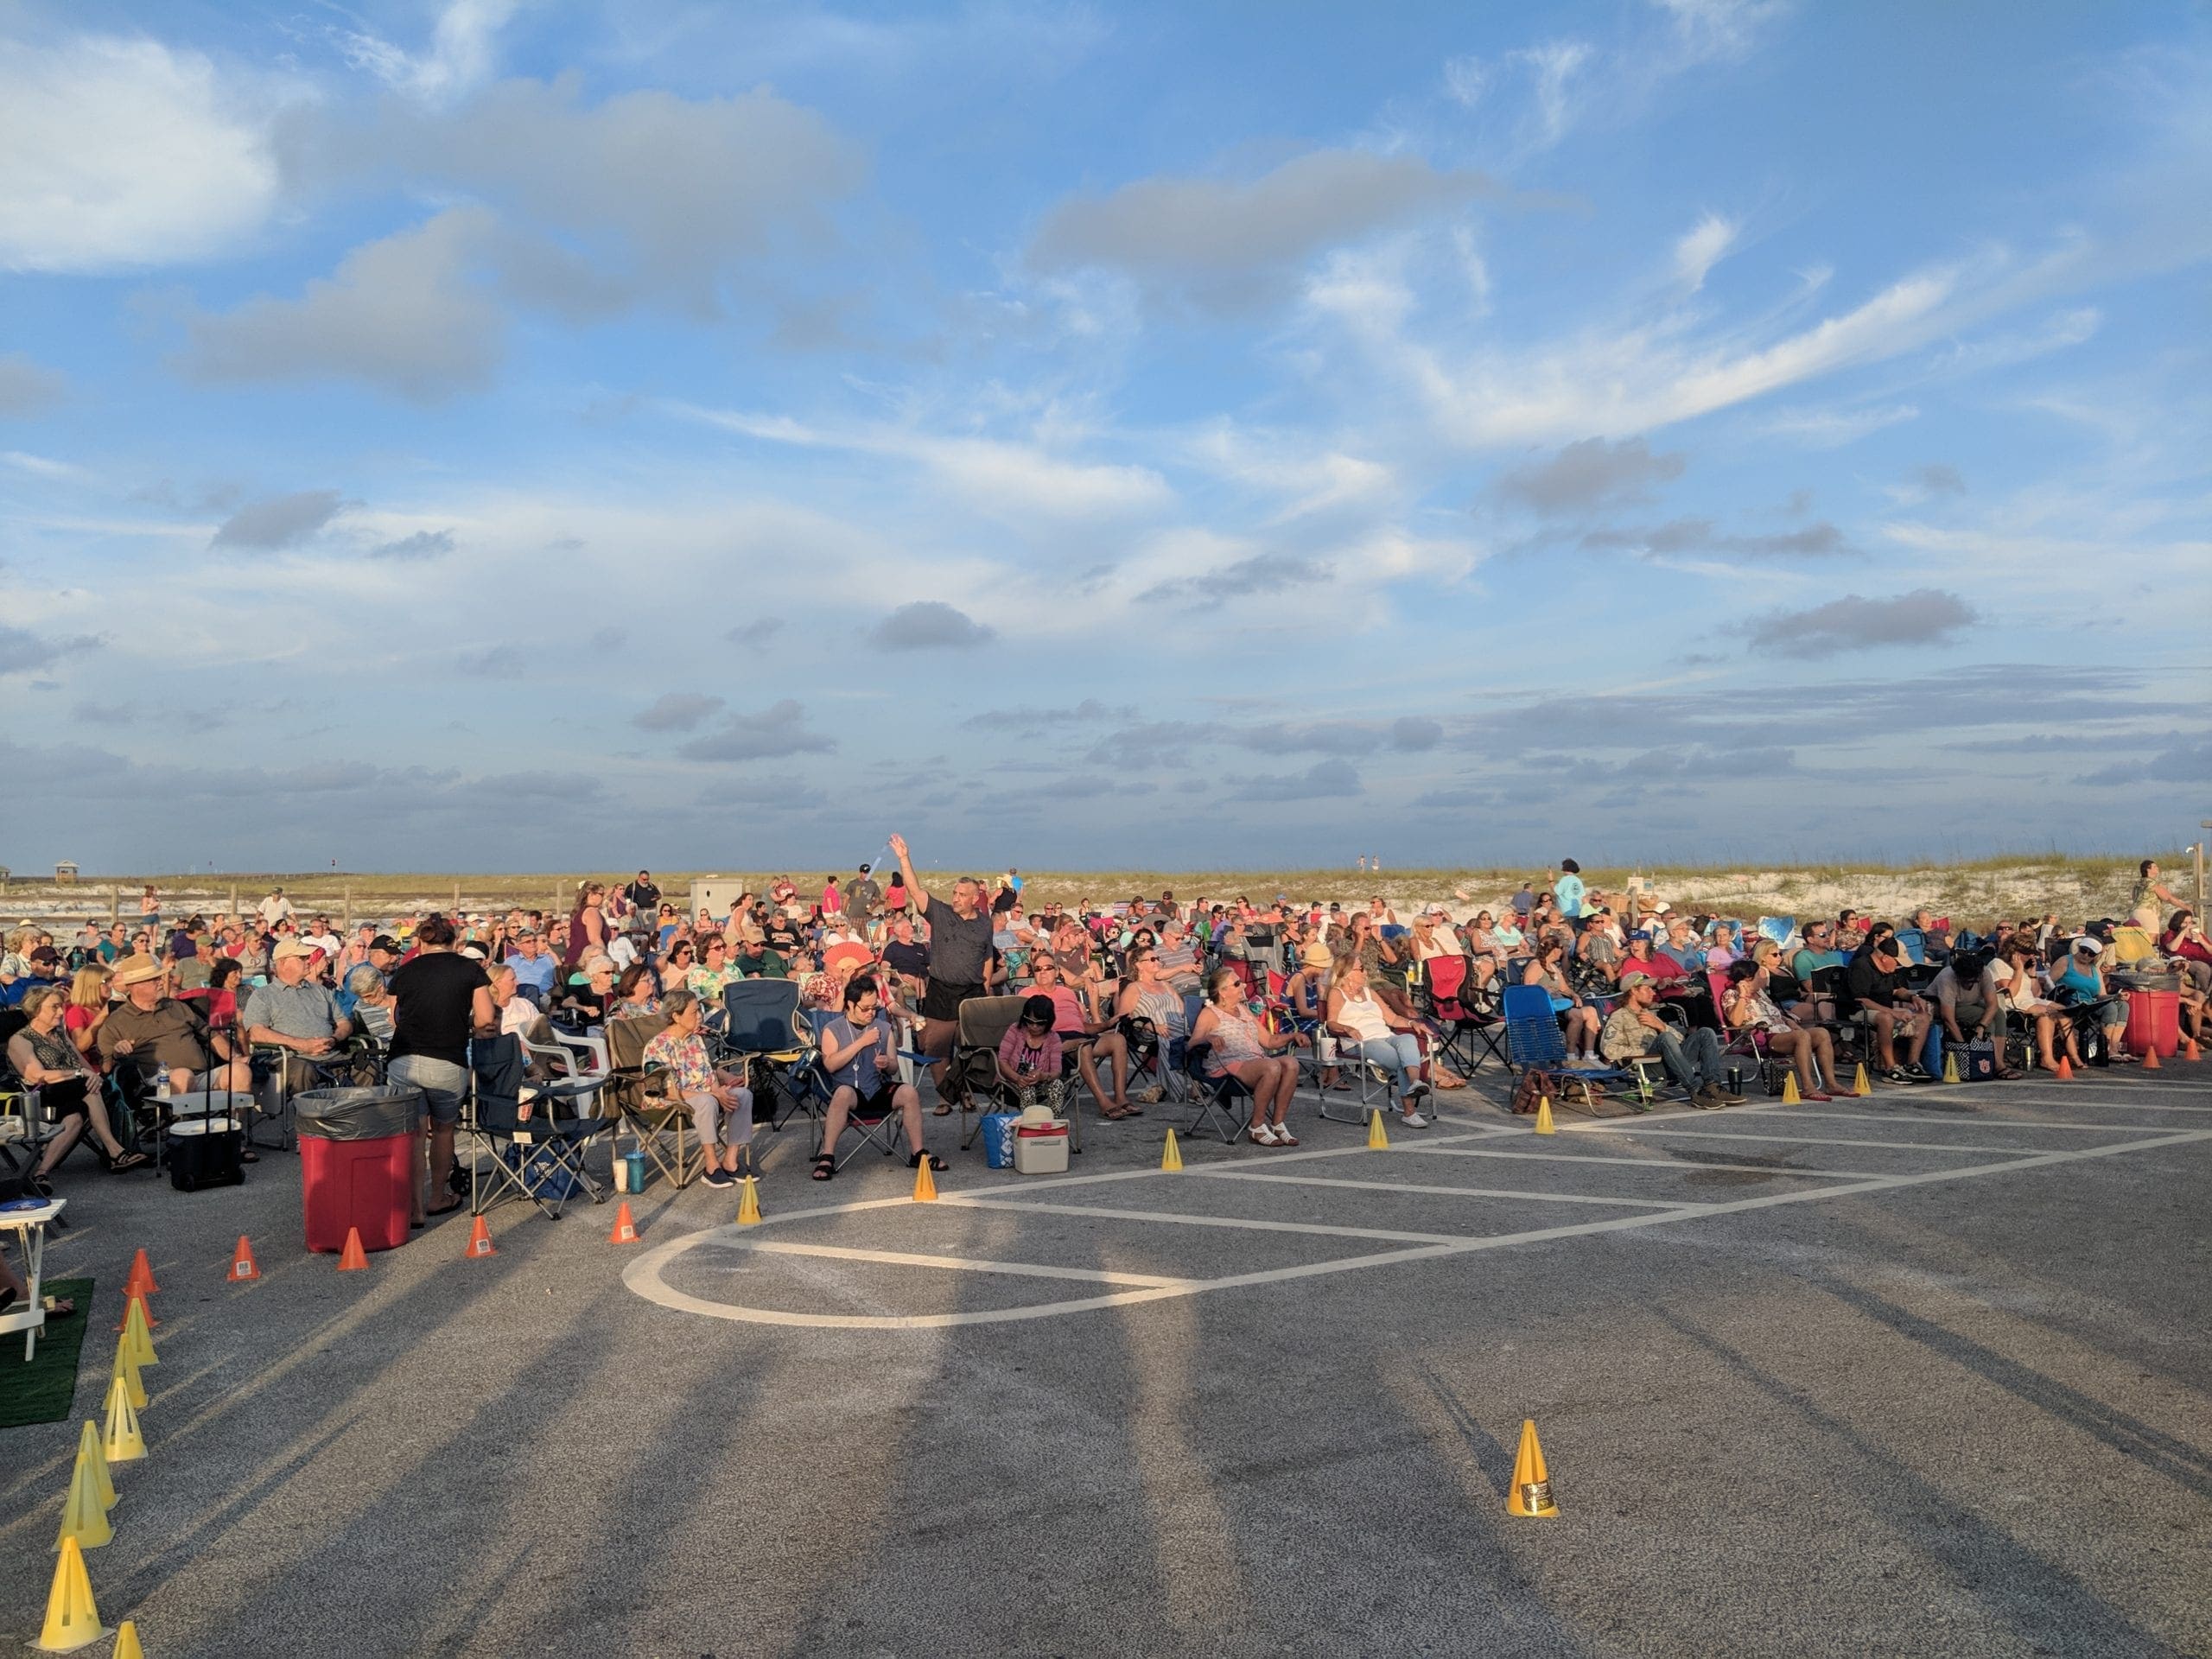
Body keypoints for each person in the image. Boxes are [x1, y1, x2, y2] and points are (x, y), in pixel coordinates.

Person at [385, 915, 494, 1224]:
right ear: (455, 941)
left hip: (403, 1057)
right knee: (444, 1129)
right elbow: (486, 1019)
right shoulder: (469, 969)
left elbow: (395, 1018)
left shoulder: (404, 971)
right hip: (447, 1058)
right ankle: (436, 1198)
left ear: (420, 941)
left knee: (415, 1133)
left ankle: (415, 1208)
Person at [887, 833, 995, 1100]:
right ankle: (946, 1097)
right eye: (954, 893)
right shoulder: (941, 913)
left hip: (972, 991)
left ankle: (964, 1090)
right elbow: (915, 891)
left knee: (976, 1046)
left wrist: (986, 983)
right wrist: (904, 858)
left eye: (962, 895)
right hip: (941, 989)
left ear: (975, 898)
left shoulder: (985, 923)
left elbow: (987, 956)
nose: (956, 898)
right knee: (935, 1046)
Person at [7, 988, 147, 1184]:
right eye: (54, 1007)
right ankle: (114, 1150)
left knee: (75, 1115)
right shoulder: (21, 1039)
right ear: (36, 1009)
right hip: (38, 1098)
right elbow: (37, 1075)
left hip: (71, 1095)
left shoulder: (60, 1036)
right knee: (87, 1086)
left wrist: (93, 1076)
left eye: (61, 1006)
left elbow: (87, 1067)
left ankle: (41, 1173)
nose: (61, 1012)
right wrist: (81, 1075)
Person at [812, 977, 941, 1179]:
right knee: (843, 1093)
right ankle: (827, 1155)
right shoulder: (833, 1029)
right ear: (850, 1004)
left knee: (909, 1092)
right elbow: (830, 1065)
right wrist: (861, 1043)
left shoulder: (883, 1027)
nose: (870, 1013)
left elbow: (893, 1067)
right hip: (849, 1091)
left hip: (876, 1087)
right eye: (865, 1008)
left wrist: (886, 1063)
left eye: (874, 1007)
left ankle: (918, 1152)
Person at [642, 990, 754, 1187]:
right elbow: (664, 1091)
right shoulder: (657, 1046)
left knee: (743, 1095)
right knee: (707, 1101)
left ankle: (730, 1160)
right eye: (694, 1012)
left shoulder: (695, 1040)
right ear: (676, 1016)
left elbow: (708, 1075)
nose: (700, 1016)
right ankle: (711, 1166)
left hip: (704, 1095)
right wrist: (713, 1094)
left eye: (700, 1010)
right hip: (671, 1102)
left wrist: (720, 1090)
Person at [98, 956, 251, 1099]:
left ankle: (231, 1126)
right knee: (182, 1076)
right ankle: (185, 1126)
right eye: (155, 979)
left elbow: (210, 1035)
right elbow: (107, 1069)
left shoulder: (176, 1007)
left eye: (160, 978)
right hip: (157, 1082)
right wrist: (117, 1051)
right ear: (135, 986)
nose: (161, 982)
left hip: (200, 1075)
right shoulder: (117, 1021)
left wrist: (235, 1058)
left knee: (240, 1072)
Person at [1192, 968, 1304, 1146]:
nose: (1243, 985)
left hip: (1254, 1063)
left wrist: (1293, 1036)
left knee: (1291, 1063)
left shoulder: (1243, 1010)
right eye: (1237, 984)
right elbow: (1192, 1043)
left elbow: (1268, 1040)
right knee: (1271, 1066)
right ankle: (1257, 1127)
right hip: (1227, 1068)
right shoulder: (1210, 1013)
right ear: (1222, 992)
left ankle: (1277, 1123)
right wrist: (1209, 1037)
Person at [1603, 973, 1745, 1108]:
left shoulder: (1648, 1014)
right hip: (1646, 1068)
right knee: (1665, 1038)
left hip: (1671, 1063)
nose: (1653, 993)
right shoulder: (1619, 1017)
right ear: (1633, 991)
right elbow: (1609, 1049)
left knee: (1706, 1033)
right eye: (1648, 989)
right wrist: (1646, 1052)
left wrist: (1660, 1026)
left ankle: (1713, 1086)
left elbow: (1680, 1040)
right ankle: (1695, 1091)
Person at [245, 940, 357, 1103]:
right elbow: (256, 1033)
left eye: (307, 957)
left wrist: (334, 1039)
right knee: (303, 1070)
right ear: (282, 963)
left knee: (367, 1063)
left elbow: (344, 1023)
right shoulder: (263, 995)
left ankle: (360, 1119)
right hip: (290, 1058)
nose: (308, 961)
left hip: (330, 1053)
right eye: (302, 958)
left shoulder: (321, 990)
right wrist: (301, 1044)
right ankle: (310, 1124)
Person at [1325, 958, 1431, 1126]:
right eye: (1361, 968)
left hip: (1385, 1035)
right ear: (1347, 974)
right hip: (1360, 1042)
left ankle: (1415, 1083)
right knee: (1399, 1060)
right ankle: (1409, 1111)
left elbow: (1392, 1018)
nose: (1365, 972)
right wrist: (1347, 1028)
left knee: (1408, 1038)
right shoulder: (1337, 993)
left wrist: (1412, 1023)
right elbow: (1330, 1022)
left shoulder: (1369, 992)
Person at [1721, 959, 1843, 1099]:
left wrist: (1788, 1020)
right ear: (1748, 979)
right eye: (1759, 975)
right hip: (1761, 1037)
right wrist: (1743, 996)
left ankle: (1832, 1084)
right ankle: (1808, 1087)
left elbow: (1774, 1013)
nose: (1763, 978)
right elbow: (1736, 1022)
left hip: (1783, 1032)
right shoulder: (1731, 995)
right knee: (1802, 1036)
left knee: (1822, 1033)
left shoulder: (1760, 994)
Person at [1845, 933, 1933, 1083]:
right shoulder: (1861, 966)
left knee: (1923, 1017)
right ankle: (1890, 1068)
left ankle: (1912, 1063)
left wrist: (1913, 997)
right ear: (1885, 958)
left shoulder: (1889, 970)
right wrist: (1892, 1012)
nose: (1898, 966)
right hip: (1857, 1011)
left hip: (1884, 1009)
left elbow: (1897, 990)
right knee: (1885, 1018)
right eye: (1897, 962)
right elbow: (1862, 1000)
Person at [1928, 948, 2024, 1078]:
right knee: (1981, 1015)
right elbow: (1948, 1018)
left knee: (1999, 1015)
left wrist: (1981, 1027)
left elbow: (1993, 1005)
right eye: (1966, 982)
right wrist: (1963, 1048)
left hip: (1970, 1003)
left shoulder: (1985, 973)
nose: (1970, 985)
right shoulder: (1947, 977)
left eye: (1974, 982)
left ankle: (1996, 1061)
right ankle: (1996, 1065)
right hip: (1942, 1006)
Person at [1993, 933, 2079, 1073]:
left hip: (2030, 1001)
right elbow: (2010, 993)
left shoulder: (2025, 967)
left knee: (2064, 1010)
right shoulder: (1998, 964)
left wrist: (2031, 973)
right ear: (2013, 951)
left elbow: (2036, 994)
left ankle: (2074, 1056)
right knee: (2046, 1014)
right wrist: (2018, 970)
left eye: (2031, 953)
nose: (2029, 956)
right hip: (2012, 1005)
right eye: (2026, 953)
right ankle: (2047, 1058)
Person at [2050, 936, 2130, 1063]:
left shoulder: (2094, 969)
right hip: (2072, 1003)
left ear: (2096, 956)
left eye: (2091, 953)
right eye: (2083, 950)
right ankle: (2103, 1049)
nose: (2086, 955)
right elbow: (2048, 984)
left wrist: (2116, 996)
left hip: (2090, 1004)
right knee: (2110, 1008)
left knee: (2123, 1005)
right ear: (2079, 948)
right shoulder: (2065, 961)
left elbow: (2101, 995)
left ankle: (2113, 1048)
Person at [1523, 938, 1602, 1065]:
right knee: (1577, 1015)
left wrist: (1575, 995)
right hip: (1545, 1008)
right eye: (1561, 948)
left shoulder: (1552, 967)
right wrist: (1545, 991)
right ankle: (1570, 1056)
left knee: (1591, 1011)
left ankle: (1589, 1054)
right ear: (1555, 950)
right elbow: (1528, 992)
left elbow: (1564, 988)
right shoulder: (1535, 966)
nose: (1563, 951)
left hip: (1560, 1004)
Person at [997, 994, 1066, 1110]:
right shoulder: (1015, 1030)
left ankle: (1052, 1122)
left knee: (1057, 1085)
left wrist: (1042, 1076)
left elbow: (1056, 1071)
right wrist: (1017, 1078)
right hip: (1011, 1082)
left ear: (1048, 1022)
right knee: (1027, 1089)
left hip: (1040, 1083)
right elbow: (1002, 1060)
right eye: (1029, 1021)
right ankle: (1029, 1125)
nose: (1034, 1026)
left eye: (1040, 1023)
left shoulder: (1054, 1038)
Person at [1554, 859, 1586, 928]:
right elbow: (1583, 896)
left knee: (1567, 933)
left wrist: (1550, 880)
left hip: (1565, 912)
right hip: (1577, 911)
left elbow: (1556, 891)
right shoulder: (1578, 880)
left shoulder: (1564, 879)